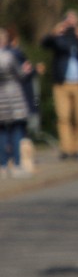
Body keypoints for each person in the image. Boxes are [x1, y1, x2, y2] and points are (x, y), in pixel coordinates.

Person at [42, 9, 78, 160]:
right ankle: (66, 149)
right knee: (63, 117)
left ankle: (76, 149)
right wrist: (53, 33)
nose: (71, 26)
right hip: (61, 83)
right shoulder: (59, 37)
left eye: (73, 22)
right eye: (68, 22)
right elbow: (44, 44)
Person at [0, 28, 31, 178]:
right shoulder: (9, 57)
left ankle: (3, 166)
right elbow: (20, 75)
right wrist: (26, 70)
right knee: (16, 130)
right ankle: (17, 165)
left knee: (2, 132)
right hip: (13, 97)